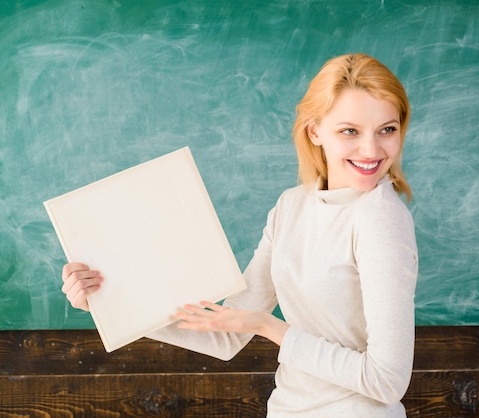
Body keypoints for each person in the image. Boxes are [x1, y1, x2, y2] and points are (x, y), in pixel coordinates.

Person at [61, 53, 418, 417]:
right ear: (314, 131)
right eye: (350, 131)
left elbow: (386, 381)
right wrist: (108, 302)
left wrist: (271, 328)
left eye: (387, 129)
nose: (372, 150)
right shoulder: (291, 207)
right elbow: (226, 333)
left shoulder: (381, 219)